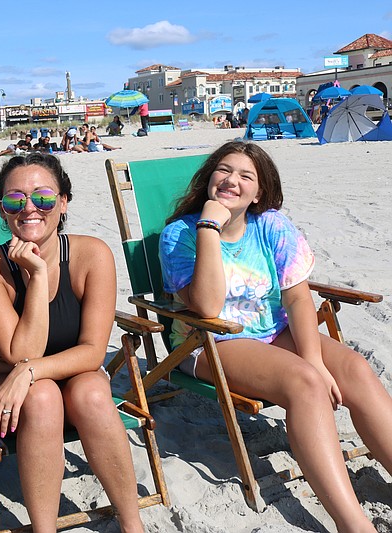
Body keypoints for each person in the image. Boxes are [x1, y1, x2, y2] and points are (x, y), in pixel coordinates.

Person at [158, 140, 392, 533]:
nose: (232, 180)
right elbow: (208, 307)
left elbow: (298, 298)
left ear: (259, 191)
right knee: (306, 384)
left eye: (245, 176)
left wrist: (315, 358)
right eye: (224, 170)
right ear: (208, 178)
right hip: (210, 342)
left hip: (273, 329)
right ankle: (354, 525)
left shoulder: (272, 225)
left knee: (352, 367)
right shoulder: (179, 235)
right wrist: (209, 226)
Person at [0, 152, 145, 532]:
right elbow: (20, 352)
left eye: (43, 197)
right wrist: (39, 275)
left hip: (60, 374)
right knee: (43, 397)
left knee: (94, 393)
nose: (29, 208)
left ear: (63, 202)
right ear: (2, 211)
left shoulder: (91, 255)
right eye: (14, 200)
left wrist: (30, 371)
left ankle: (132, 525)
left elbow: (94, 352)